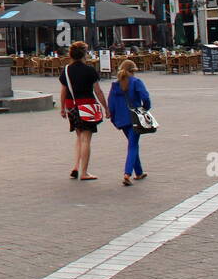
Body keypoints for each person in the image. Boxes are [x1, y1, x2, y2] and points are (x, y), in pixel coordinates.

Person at [60, 40, 109, 181]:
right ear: (84, 55)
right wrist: (106, 108)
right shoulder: (89, 70)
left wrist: (63, 108)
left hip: (72, 106)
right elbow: (98, 91)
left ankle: (76, 166)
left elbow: (63, 91)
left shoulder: (66, 70)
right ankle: (84, 172)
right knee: (86, 139)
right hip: (87, 107)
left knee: (79, 136)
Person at [107, 59, 151, 186]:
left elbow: (111, 104)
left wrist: (114, 119)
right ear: (132, 71)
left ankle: (139, 172)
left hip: (121, 119)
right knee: (133, 146)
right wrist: (145, 109)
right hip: (135, 118)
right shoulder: (136, 82)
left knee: (133, 143)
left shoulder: (115, 85)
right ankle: (127, 174)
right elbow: (145, 97)